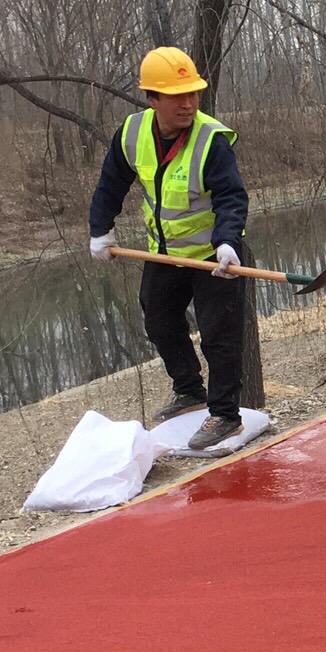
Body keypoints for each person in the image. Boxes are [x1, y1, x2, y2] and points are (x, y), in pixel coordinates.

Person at [89, 47, 251, 452]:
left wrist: (229, 242)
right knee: (159, 320)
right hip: (165, 253)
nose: (189, 104)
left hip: (216, 255)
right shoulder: (132, 133)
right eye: (178, 96)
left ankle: (226, 415)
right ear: (152, 99)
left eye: (193, 94)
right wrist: (100, 229)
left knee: (219, 335)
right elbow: (111, 183)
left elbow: (232, 197)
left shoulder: (211, 139)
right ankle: (188, 390)